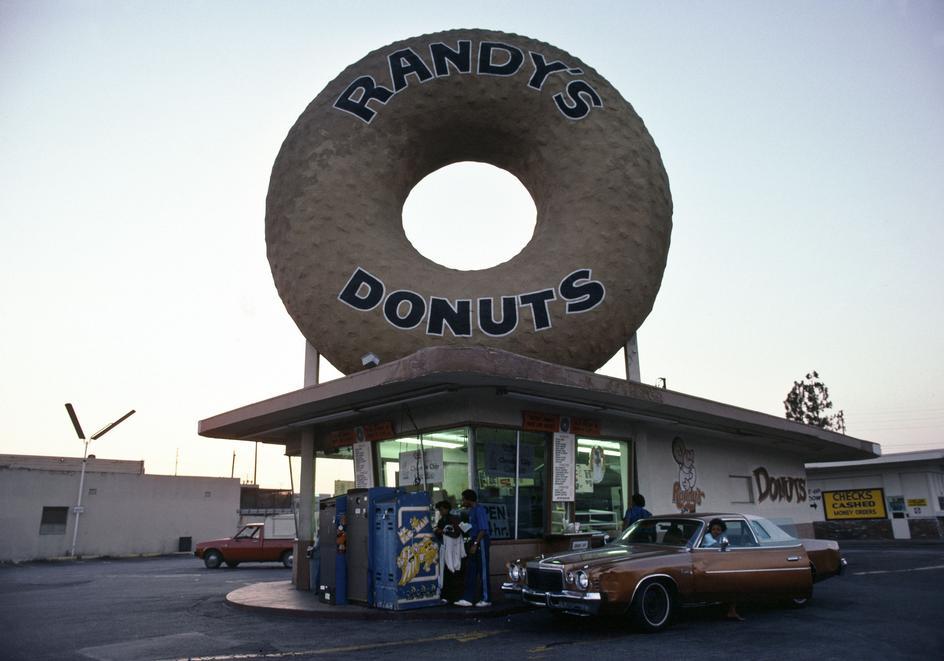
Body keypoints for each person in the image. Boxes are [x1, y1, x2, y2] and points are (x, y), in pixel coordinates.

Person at [701, 518, 744, 621]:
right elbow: (717, 547)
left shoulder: (723, 537)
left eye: (718, 529)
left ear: (722, 530)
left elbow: (726, 548)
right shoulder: (707, 537)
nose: (715, 531)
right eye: (713, 529)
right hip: (706, 565)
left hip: (718, 564)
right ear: (710, 530)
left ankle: (731, 611)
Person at [455, 489, 490, 608]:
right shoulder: (471, 511)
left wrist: (475, 543)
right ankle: (468, 598)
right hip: (474, 540)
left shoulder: (479, 510)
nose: (462, 501)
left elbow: (483, 529)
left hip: (481, 542)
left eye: (464, 499)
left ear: (469, 499)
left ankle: (486, 598)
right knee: (471, 570)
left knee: (483, 571)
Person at [433, 500, 465, 603]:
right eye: (439, 510)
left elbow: (457, 533)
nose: (441, 512)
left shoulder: (452, 519)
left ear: (446, 509)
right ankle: (449, 596)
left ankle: (452, 596)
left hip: (453, 549)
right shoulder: (443, 520)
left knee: (452, 573)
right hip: (447, 549)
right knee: (448, 573)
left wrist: (442, 531)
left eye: (441, 510)